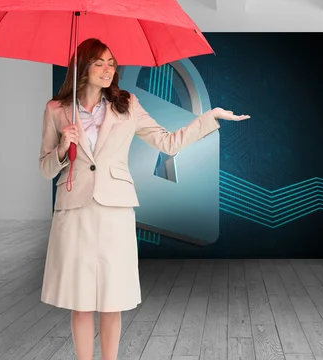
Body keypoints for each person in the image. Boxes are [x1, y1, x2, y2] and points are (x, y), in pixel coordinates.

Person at [38, 38, 250, 360]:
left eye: (112, 63)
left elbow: (168, 143)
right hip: (74, 210)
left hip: (116, 210)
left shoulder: (127, 104)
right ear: (82, 67)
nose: (109, 69)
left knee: (112, 299)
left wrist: (211, 118)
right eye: (100, 63)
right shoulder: (57, 110)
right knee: (80, 300)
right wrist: (63, 146)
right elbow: (44, 168)